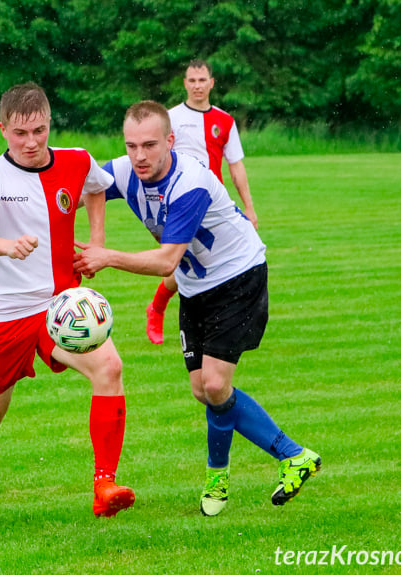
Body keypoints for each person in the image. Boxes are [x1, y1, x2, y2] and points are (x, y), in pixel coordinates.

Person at [77, 101, 320, 516]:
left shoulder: (189, 183)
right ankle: (286, 459)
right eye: (131, 146)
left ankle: (250, 469)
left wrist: (104, 255)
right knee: (202, 389)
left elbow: (165, 261)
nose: (139, 156)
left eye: (150, 145)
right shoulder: (125, 169)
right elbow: (82, 186)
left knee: (213, 386)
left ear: (170, 141)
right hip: (195, 287)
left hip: (238, 278)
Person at [0, 82, 135, 529]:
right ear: (3, 130)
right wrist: (6, 245)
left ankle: (105, 485)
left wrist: (97, 242)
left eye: (40, 130)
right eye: (20, 133)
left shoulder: (75, 160)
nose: (32, 142)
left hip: (60, 305)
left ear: (50, 122)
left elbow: (97, 188)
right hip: (3, 311)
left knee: (109, 368)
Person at [146, 59, 257, 345]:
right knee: (182, 261)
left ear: (212, 83)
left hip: (215, 206)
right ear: (185, 83)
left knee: (207, 264)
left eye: (202, 80)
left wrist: (249, 206)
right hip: (180, 203)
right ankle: (158, 309)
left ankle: (172, 310)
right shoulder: (170, 118)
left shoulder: (225, 121)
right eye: (192, 80)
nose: (197, 85)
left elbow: (236, 166)